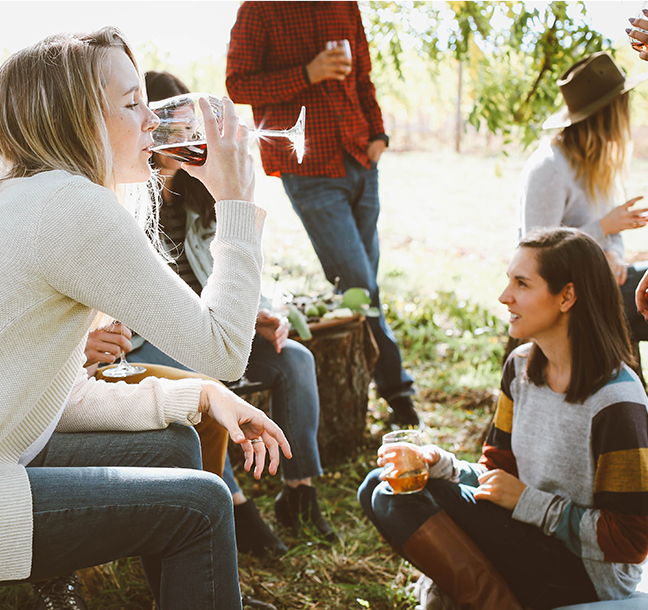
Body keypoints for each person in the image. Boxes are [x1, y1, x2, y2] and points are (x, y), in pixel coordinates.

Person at [0, 27, 292, 610]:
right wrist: (239, 202)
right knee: (202, 505)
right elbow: (224, 349)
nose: (151, 122)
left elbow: (56, 401)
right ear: (76, 119)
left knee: (175, 447)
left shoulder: (16, 194)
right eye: (130, 103)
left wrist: (197, 395)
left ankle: (203, 590)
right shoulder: (69, 207)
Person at [92, 69, 335, 556]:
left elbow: (229, 268)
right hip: (147, 340)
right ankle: (236, 504)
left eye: (187, 126)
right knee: (196, 371)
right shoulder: (118, 199)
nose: (187, 136)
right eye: (173, 125)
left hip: (204, 328)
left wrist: (263, 310)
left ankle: (300, 492)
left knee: (295, 361)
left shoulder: (201, 195)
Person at [358, 227, 648, 609]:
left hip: (587, 573)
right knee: (379, 484)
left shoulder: (617, 401)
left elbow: (630, 540)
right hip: (525, 533)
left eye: (522, 284)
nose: (503, 296)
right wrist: (440, 464)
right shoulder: (521, 366)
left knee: (396, 497)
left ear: (567, 296)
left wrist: (530, 502)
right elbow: (497, 475)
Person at [225, 1, 418, 427]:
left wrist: (378, 134)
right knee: (360, 284)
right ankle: (399, 394)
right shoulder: (259, 10)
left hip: (361, 157)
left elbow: (362, 75)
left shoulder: (344, 4)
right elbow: (238, 86)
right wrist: (306, 74)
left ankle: (372, 386)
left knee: (363, 289)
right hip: (308, 169)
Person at [519, 51, 648, 348]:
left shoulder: (599, 165)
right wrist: (602, 226)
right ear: (609, 114)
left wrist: (614, 255)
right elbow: (536, 253)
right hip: (569, 294)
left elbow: (613, 236)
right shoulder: (549, 167)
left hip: (602, 280)